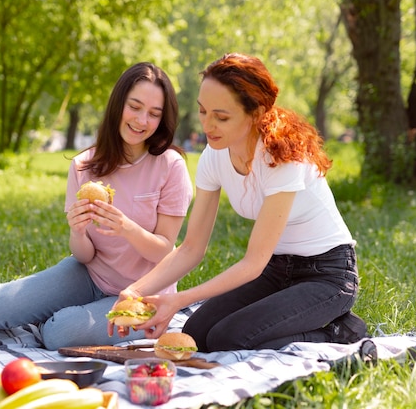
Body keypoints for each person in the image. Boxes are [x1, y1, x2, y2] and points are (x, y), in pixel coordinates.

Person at [0, 62, 193, 350]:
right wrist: (77, 232)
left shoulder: (169, 166)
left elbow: (164, 249)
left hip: (144, 293)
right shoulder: (85, 165)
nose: (141, 120)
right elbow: (84, 256)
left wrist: (126, 228)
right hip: (90, 275)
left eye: (153, 114)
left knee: (61, 334)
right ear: (118, 104)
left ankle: (52, 321)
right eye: (134, 107)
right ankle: (3, 312)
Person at [109, 53, 367, 352]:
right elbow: (192, 247)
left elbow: (253, 263)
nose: (208, 125)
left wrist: (178, 300)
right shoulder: (214, 156)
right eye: (203, 112)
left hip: (327, 275)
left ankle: (342, 331)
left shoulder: (282, 160)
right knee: (196, 334)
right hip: (276, 270)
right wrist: (135, 290)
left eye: (222, 117)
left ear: (256, 114)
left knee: (230, 339)